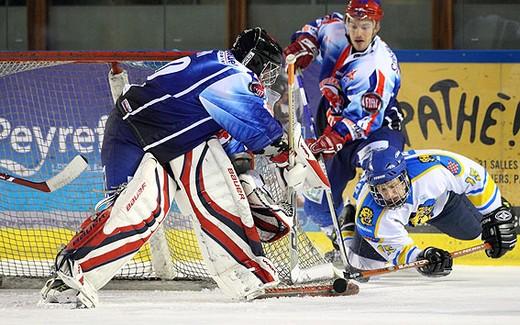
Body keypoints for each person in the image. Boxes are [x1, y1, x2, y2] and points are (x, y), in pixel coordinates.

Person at [39, 27, 322, 308]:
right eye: (268, 69)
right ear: (255, 60)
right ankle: (69, 275)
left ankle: (246, 269)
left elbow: (231, 140)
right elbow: (253, 122)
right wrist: (284, 154)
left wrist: (262, 167)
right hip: (138, 135)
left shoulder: (216, 66)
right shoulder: (234, 74)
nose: (267, 78)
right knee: (136, 210)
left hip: (160, 138)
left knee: (169, 202)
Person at [283, 0, 405, 246]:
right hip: (333, 123)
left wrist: (331, 139)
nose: (359, 32)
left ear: (376, 27)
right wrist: (305, 43)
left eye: (366, 26)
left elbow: (366, 120)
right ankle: (342, 235)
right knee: (318, 204)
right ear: (346, 22)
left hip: (375, 131)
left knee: (383, 171)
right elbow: (317, 26)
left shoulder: (376, 69)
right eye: (355, 25)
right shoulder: (335, 30)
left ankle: (387, 237)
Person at [342, 146, 517, 277]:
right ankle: (348, 226)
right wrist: (422, 257)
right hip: (380, 224)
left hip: (439, 206)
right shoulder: (369, 215)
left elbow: (476, 177)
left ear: (404, 176)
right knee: (363, 267)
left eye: (393, 185)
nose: (390, 195)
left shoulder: (432, 170)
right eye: (382, 189)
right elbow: (400, 251)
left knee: (475, 230)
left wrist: (496, 212)